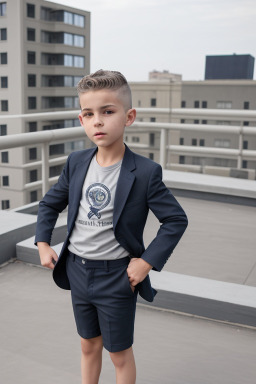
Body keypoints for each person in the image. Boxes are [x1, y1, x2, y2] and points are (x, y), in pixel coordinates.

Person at [35, 69, 188, 384]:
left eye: (107, 111)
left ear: (128, 116)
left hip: (116, 276)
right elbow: (50, 204)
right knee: (88, 344)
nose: (98, 121)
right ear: (81, 120)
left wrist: (146, 262)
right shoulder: (77, 163)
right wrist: (43, 242)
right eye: (89, 114)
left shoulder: (145, 173)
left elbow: (175, 219)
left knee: (119, 353)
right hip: (76, 268)